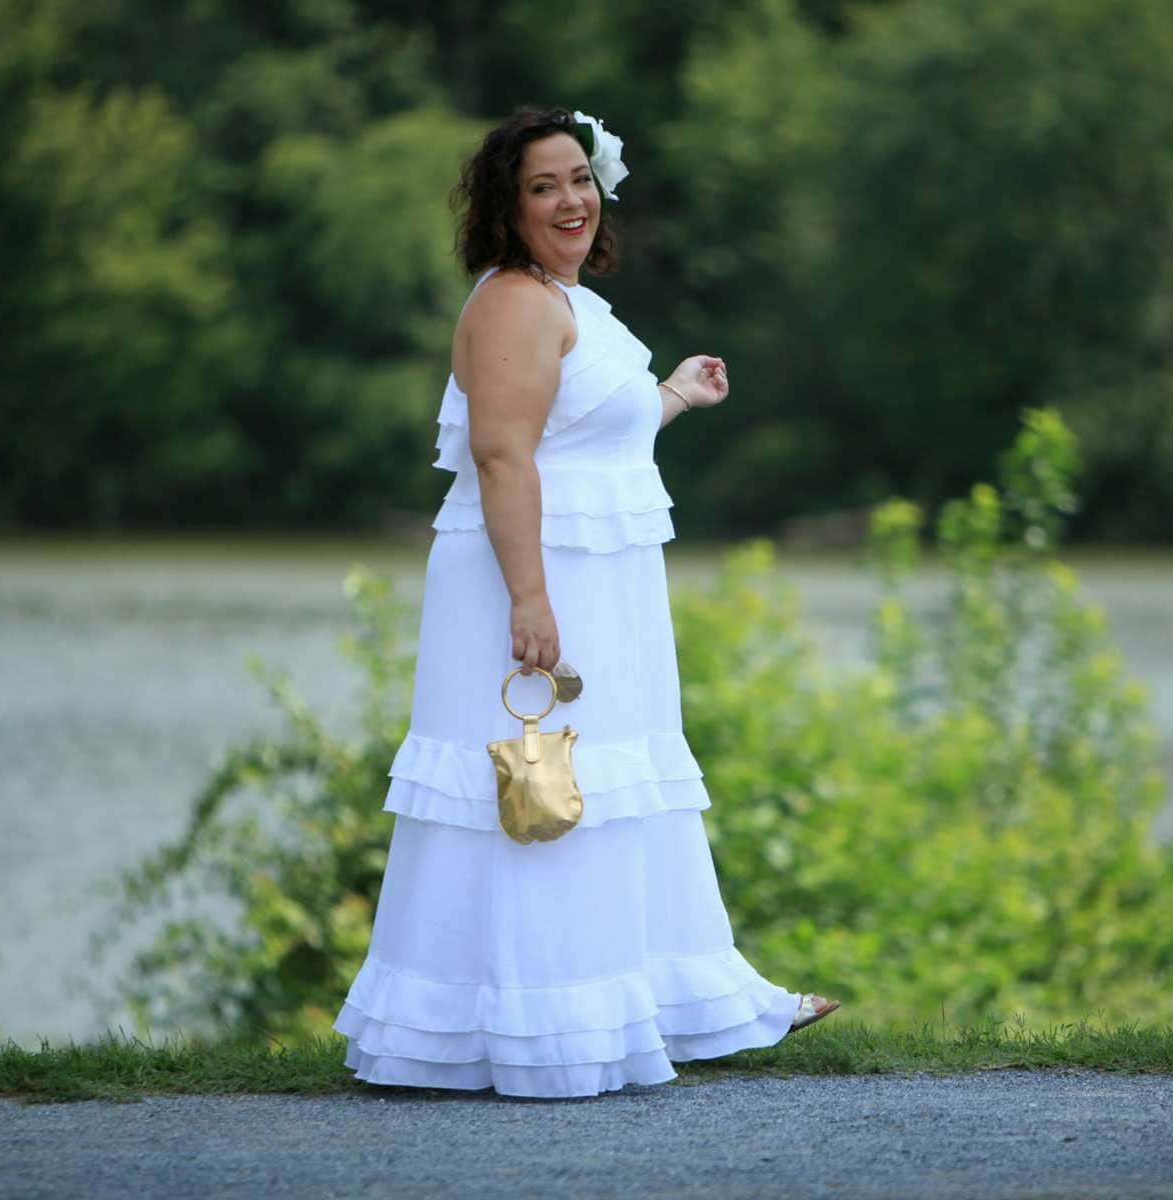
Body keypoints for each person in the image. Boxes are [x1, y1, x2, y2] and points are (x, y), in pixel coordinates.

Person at [332, 105, 841, 1099]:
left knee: (606, 787)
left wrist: (675, 397)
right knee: (536, 788)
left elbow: (585, 431)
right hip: (536, 577)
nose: (570, 200)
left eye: (579, 180)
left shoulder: (567, 300)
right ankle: (538, 1023)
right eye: (542, 186)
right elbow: (501, 453)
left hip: (597, 580)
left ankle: (665, 997)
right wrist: (530, 599)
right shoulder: (515, 303)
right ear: (505, 206)